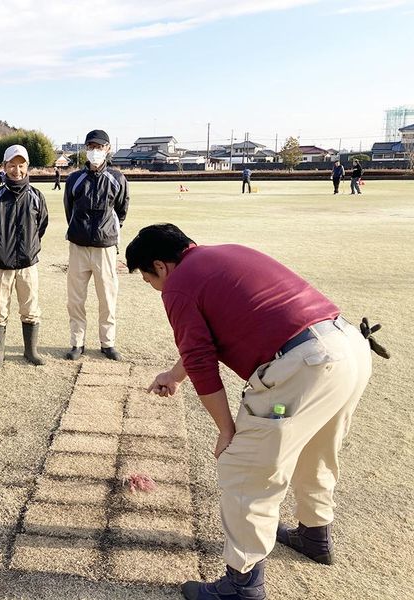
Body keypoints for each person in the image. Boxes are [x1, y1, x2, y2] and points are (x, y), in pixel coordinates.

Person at [125, 223, 373, 600]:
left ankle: (242, 586)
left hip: (304, 367)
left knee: (245, 470)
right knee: (317, 449)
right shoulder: (220, 255)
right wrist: (174, 376)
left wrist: (226, 429)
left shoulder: (178, 285)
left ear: (160, 266)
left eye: (148, 279)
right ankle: (314, 534)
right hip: (348, 348)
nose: (154, 287)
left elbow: (202, 360)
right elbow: (202, 344)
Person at [63, 129, 129, 361]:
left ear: (108, 149)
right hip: (78, 247)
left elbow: (121, 211)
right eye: (91, 147)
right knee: (76, 298)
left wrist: (109, 230)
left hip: (105, 247)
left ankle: (107, 342)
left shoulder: (117, 178)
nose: (95, 151)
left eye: (99, 147)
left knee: (107, 297)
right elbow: (69, 210)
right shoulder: (74, 179)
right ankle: (77, 342)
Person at [0, 144, 49, 368]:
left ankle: (31, 351)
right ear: (4, 166)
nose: (17, 170)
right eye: (12, 165)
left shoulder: (37, 196)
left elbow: (42, 226)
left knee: (30, 309)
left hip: (28, 264)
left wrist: (30, 248)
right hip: (1, 264)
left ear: (27, 167)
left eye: (21, 165)